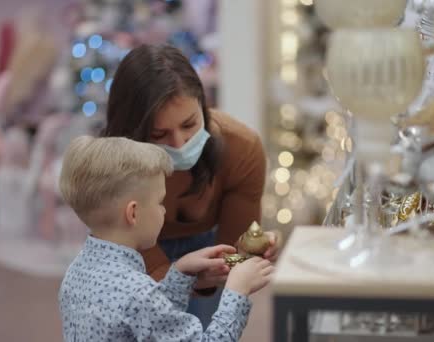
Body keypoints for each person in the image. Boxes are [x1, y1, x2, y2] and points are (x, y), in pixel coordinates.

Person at [103, 44, 282, 326]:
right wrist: (183, 280)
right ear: (132, 130)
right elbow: (135, 257)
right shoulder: (111, 164)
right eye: (159, 133)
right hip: (130, 253)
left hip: (207, 247)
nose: (178, 143)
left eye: (189, 124)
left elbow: (234, 254)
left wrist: (247, 255)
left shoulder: (241, 148)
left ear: (203, 105)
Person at [57, 136, 274, 341]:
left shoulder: (76, 273)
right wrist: (237, 290)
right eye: (160, 202)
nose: (163, 211)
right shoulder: (138, 294)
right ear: (133, 213)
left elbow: (149, 325)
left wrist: (179, 273)